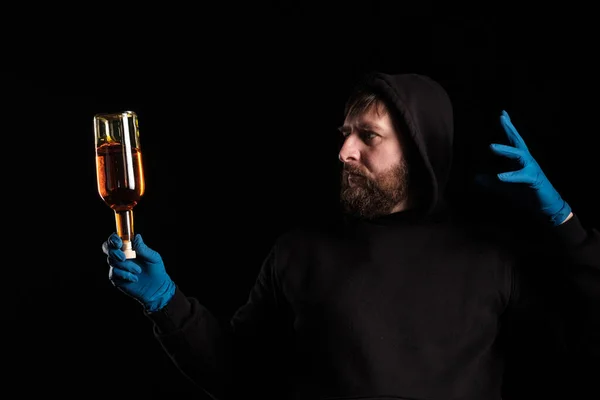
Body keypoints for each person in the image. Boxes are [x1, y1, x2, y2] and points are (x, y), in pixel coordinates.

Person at [102, 72, 600, 400]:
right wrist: (166, 303)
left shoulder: (492, 257)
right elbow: (238, 378)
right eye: (345, 133)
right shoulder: (298, 252)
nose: (344, 151)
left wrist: (565, 223)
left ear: (421, 151)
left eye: (369, 135)